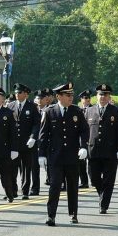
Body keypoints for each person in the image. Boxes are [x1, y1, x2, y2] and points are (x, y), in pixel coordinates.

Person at [38, 82, 89, 225]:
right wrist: (41, 154)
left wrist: (83, 146)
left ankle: (73, 213)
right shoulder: (49, 112)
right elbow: (43, 135)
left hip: (72, 156)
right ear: (58, 96)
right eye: (67, 95)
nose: (71, 97)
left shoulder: (76, 111)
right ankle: (51, 215)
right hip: (55, 156)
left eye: (71, 95)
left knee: (72, 186)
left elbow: (84, 130)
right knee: (54, 186)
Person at [84, 84, 118, 214]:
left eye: (105, 95)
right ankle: (102, 193)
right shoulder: (89, 111)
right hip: (93, 151)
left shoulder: (115, 111)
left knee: (109, 180)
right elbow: (84, 131)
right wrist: (83, 147)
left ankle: (104, 204)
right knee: (94, 178)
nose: (103, 97)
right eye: (100, 94)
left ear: (109, 97)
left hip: (110, 152)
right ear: (96, 96)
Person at [7, 83, 40, 200]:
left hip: (27, 143)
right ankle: (12, 190)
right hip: (13, 144)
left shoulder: (32, 106)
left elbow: (36, 124)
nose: (17, 94)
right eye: (15, 92)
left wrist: (33, 137)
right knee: (11, 169)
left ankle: (25, 191)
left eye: (19, 92)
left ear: (25, 94)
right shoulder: (10, 106)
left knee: (26, 168)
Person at [0, 86, 19, 203]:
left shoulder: (9, 113)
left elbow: (13, 133)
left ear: (3, 99)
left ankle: (9, 193)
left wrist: (14, 149)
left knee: (5, 175)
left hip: (4, 149)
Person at [77, 89, 92, 189]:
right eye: (84, 98)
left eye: (88, 98)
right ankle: (84, 181)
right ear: (81, 100)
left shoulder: (94, 109)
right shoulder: (78, 110)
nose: (86, 100)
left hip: (91, 139)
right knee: (81, 162)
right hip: (81, 139)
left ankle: (94, 179)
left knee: (91, 162)